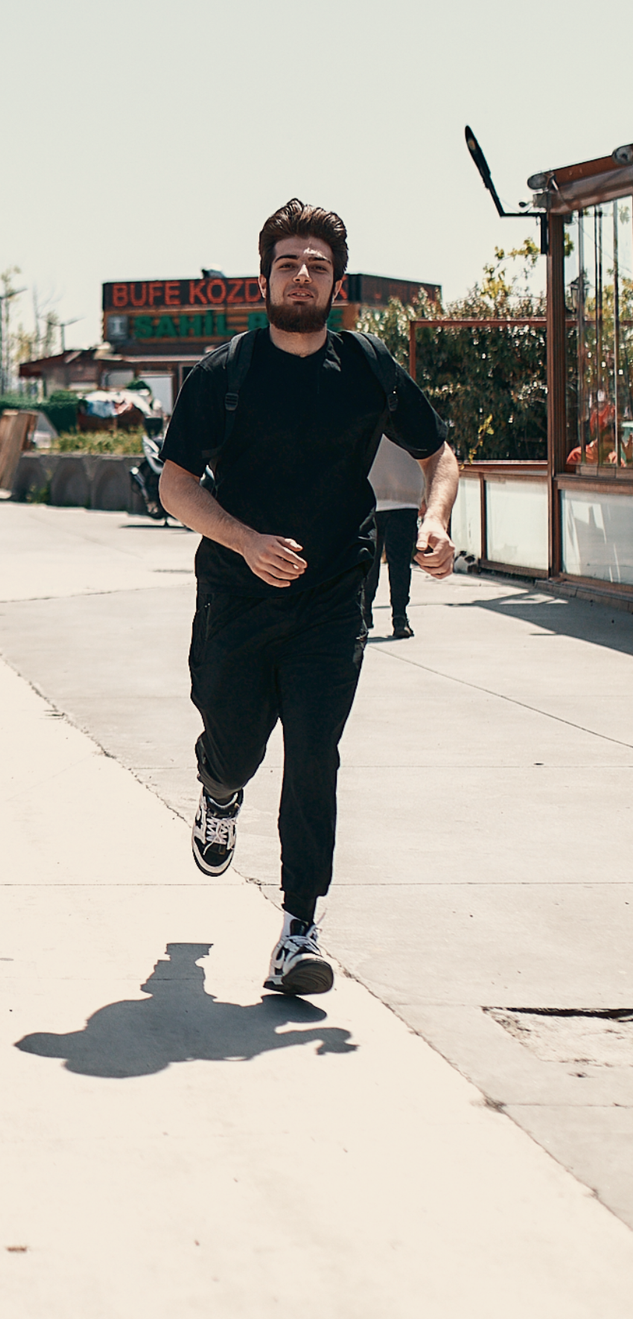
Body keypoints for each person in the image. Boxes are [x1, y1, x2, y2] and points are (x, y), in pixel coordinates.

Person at [158, 199, 457, 996]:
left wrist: (433, 520)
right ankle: (219, 787)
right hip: (237, 594)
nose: (301, 275)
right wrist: (246, 541)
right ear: (264, 278)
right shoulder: (226, 373)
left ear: (336, 283)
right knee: (236, 743)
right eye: (288, 263)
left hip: (333, 594)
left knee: (315, 753)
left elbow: (439, 453)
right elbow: (175, 485)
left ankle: (298, 929)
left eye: (316, 266)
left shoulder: (365, 367)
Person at [365, 435, 423, 639]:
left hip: (397, 496)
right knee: (382, 563)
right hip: (390, 495)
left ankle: (395, 616)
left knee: (383, 562)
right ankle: (392, 617)